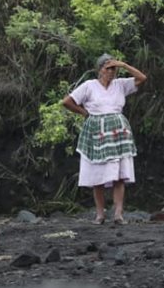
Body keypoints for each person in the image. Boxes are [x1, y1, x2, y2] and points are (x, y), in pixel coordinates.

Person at [62, 53, 147, 224]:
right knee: (97, 173)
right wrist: (85, 113)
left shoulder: (120, 85)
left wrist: (123, 65)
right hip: (97, 130)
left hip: (118, 130)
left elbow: (142, 77)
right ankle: (100, 214)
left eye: (114, 69)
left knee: (119, 174)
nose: (112, 72)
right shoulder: (89, 86)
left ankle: (118, 214)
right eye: (108, 68)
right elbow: (67, 101)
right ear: (100, 70)